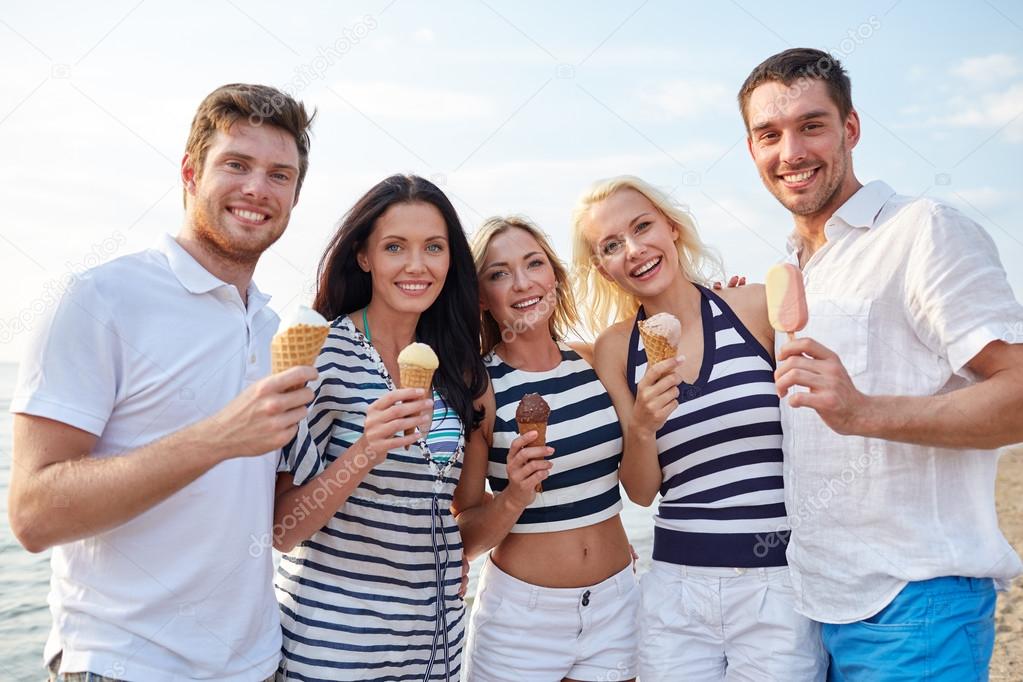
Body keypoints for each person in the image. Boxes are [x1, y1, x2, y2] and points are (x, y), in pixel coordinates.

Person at [8, 84, 316, 681]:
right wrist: (218, 438)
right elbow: (32, 514)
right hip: (124, 663)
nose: (258, 188)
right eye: (236, 164)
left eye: (280, 174)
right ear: (189, 172)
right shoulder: (98, 299)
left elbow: (265, 519)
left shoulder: (274, 327)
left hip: (255, 664)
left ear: (295, 196)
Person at [739, 47, 1023, 680]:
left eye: (812, 125)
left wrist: (864, 411)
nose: (791, 152)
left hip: (916, 608)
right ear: (752, 150)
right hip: (812, 607)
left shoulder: (924, 230)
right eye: (769, 134)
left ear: (851, 129)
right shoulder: (792, 269)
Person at [571, 176, 827, 681]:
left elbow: (815, 428)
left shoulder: (754, 308)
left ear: (670, 227)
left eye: (642, 226)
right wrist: (642, 426)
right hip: (675, 592)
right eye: (612, 245)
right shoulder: (615, 349)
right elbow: (642, 493)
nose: (634, 249)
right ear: (603, 267)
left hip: (776, 585)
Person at [270, 174, 488, 681]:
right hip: (334, 648)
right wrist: (367, 448)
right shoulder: (320, 352)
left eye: (434, 247)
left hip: (435, 649)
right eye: (395, 247)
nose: (417, 265)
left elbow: (452, 509)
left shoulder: (456, 366)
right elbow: (283, 530)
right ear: (364, 257)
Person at [455, 215, 639, 682]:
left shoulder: (596, 360)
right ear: (480, 297)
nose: (522, 283)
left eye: (533, 263)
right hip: (522, 622)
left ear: (554, 276)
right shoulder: (479, 386)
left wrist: (718, 302)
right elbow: (466, 536)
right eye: (498, 273)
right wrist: (515, 494)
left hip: (617, 608)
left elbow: (677, 360)